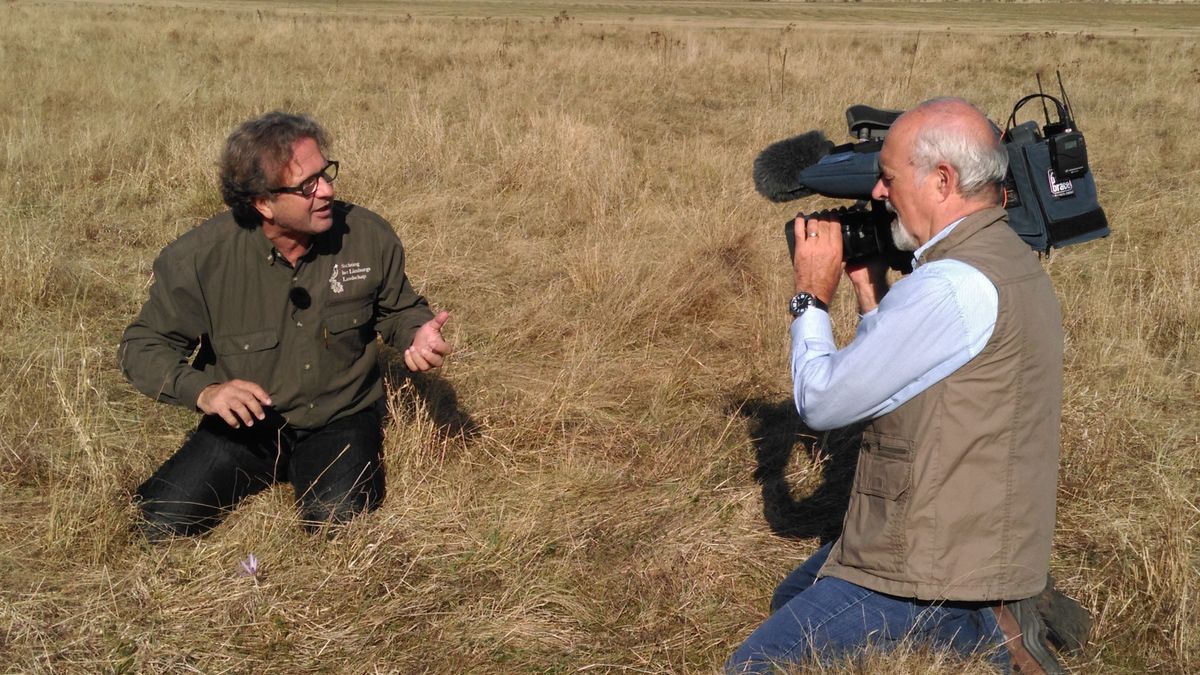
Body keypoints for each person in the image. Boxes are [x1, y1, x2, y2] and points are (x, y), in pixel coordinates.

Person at [727, 98, 1068, 673]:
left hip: (935, 560)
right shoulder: (1000, 254)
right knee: (792, 599)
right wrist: (870, 294)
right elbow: (918, 370)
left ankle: (980, 635)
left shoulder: (949, 285)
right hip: (967, 533)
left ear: (942, 180)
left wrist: (810, 297)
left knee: (758, 665)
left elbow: (824, 401)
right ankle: (985, 624)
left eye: (888, 178)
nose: (879, 195)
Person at [119, 112, 451, 540]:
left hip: (340, 417)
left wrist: (417, 331)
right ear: (262, 202)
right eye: (306, 186)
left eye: (325, 174)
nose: (327, 191)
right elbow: (142, 346)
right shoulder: (200, 260)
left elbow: (397, 309)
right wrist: (206, 391)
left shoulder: (367, 237)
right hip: (246, 427)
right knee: (156, 523)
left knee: (340, 525)